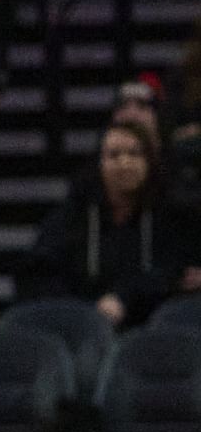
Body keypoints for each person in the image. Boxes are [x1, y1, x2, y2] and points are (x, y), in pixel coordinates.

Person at [24, 123, 199, 329]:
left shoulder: (173, 212)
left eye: (134, 154)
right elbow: (40, 267)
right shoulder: (76, 213)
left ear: (149, 161)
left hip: (154, 328)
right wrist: (82, 310)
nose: (124, 163)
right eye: (114, 155)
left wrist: (124, 296)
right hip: (86, 325)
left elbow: (173, 271)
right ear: (100, 163)